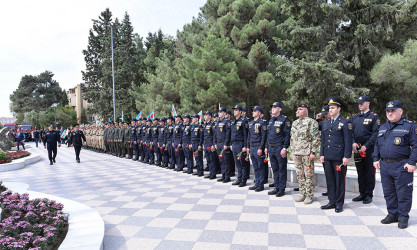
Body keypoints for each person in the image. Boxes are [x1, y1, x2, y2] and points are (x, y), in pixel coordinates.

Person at [373, 101, 417, 229]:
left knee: (404, 193)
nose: (390, 113)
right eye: (388, 111)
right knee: (389, 193)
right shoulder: (382, 127)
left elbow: (415, 146)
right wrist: (375, 158)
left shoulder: (409, 126)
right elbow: (377, 144)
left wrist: (412, 162)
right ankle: (392, 214)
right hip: (385, 165)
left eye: (393, 110)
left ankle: (403, 217)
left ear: (400, 111)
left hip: (402, 165)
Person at [320, 97, 353, 213]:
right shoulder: (326, 123)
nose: (330, 110)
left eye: (333, 108)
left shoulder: (345, 122)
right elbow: (323, 140)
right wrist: (321, 154)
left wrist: (346, 156)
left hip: (339, 157)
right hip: (328, 156)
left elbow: (348, 141)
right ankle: (331, 201)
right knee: (330, 180)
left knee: (339, 181)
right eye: (329, 108)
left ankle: (339, 203)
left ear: (339, 109)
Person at [351, 96, 380, 204]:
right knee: (360, 172)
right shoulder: (355, 117)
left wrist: (366, 146)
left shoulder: (374, 117)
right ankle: (362, 193)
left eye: (361, 103)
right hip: (357, 149)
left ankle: (368, 194)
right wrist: (353, 142)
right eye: (358, 103)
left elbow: (375, 134)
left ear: (368, 103)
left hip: (368, 150)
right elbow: (351, 133)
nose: (359, 105)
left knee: (369, 172)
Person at [290, 104, 320, 204]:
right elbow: (292, 138)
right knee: (299, 174)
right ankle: (302, 193)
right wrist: (292, 151)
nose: (297, 111)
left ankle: (309, 195)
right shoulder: (295, 123)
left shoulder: (312, 122)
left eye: (300, 109)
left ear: (306, 111)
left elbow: (316, 138)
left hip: (307, 153)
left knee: (309, 174)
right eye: (297, 109)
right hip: (297, 152)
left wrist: (313, 152)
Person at [265, 102, 291, 197]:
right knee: (274, 168)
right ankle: (276, 187)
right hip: (271, 147)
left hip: (280, 147)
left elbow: (287, 135)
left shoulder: (284, 119)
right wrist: (266, 147)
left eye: (275, 107)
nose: (273, 108)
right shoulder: (271, 120)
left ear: (280, 109)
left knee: (281, 168)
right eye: (272, 107)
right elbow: (269, 135)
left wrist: (284, 148)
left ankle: (281, 189)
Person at [247, 106, 267, 192]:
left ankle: (261, 184)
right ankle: (257, 183)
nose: (253, 112)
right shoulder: (251, 123)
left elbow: (263, 137)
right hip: (252, 146)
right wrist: (248, 146)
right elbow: (249, 136)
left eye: (255, 111)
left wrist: (261, 148)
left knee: (260, 166)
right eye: (253, 111)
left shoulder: (262, 123)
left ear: (259, 113)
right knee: (255, 167)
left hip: (258, 146)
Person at [230, 105, 249, 187]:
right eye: (234, 110)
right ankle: (239, 178)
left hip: (240, 144)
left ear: (240, 112)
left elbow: (246, 135)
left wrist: (245, 146)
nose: (234, 111)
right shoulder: (233, 121)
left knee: (242, 163)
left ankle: (243, 180)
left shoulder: (244, 121)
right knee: (237, 162)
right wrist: (231, 144)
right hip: (234, 144)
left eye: (236, 110)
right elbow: (232, 134)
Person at [214, 107, 232, 183]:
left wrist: (226, 143)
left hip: (224, 143)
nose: (219, 113)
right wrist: (215, 143)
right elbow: (215, 134)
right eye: (219, 112)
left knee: (226, 160)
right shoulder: (217, 122)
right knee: (221, 160)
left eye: (221, 112)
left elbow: (228, 134)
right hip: (218, 143)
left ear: (225, 113)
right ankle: (223, 175)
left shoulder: (227, 122)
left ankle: (227, 176)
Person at [317, 105, 331, 196]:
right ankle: (330, 190)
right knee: (328, 173)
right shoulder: (323, 123)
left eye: (326, 114)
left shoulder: (341, 122)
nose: (325, 116)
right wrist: (317, 120)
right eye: (324, 114)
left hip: (334, 151)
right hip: (325, 150)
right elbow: (315, 130)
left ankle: (334, 191)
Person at [203, 111, 216, 179]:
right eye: (205, 115)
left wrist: (213, 144)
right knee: (208, 159)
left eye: (207, 115)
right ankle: (211, 172)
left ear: (210, 116)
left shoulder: (212, 124)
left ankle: (213, 173)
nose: (205, 116)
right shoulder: (205, 125)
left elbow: (214, 135)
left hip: (210, 143)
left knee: (212, 159)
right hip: (206, 143)